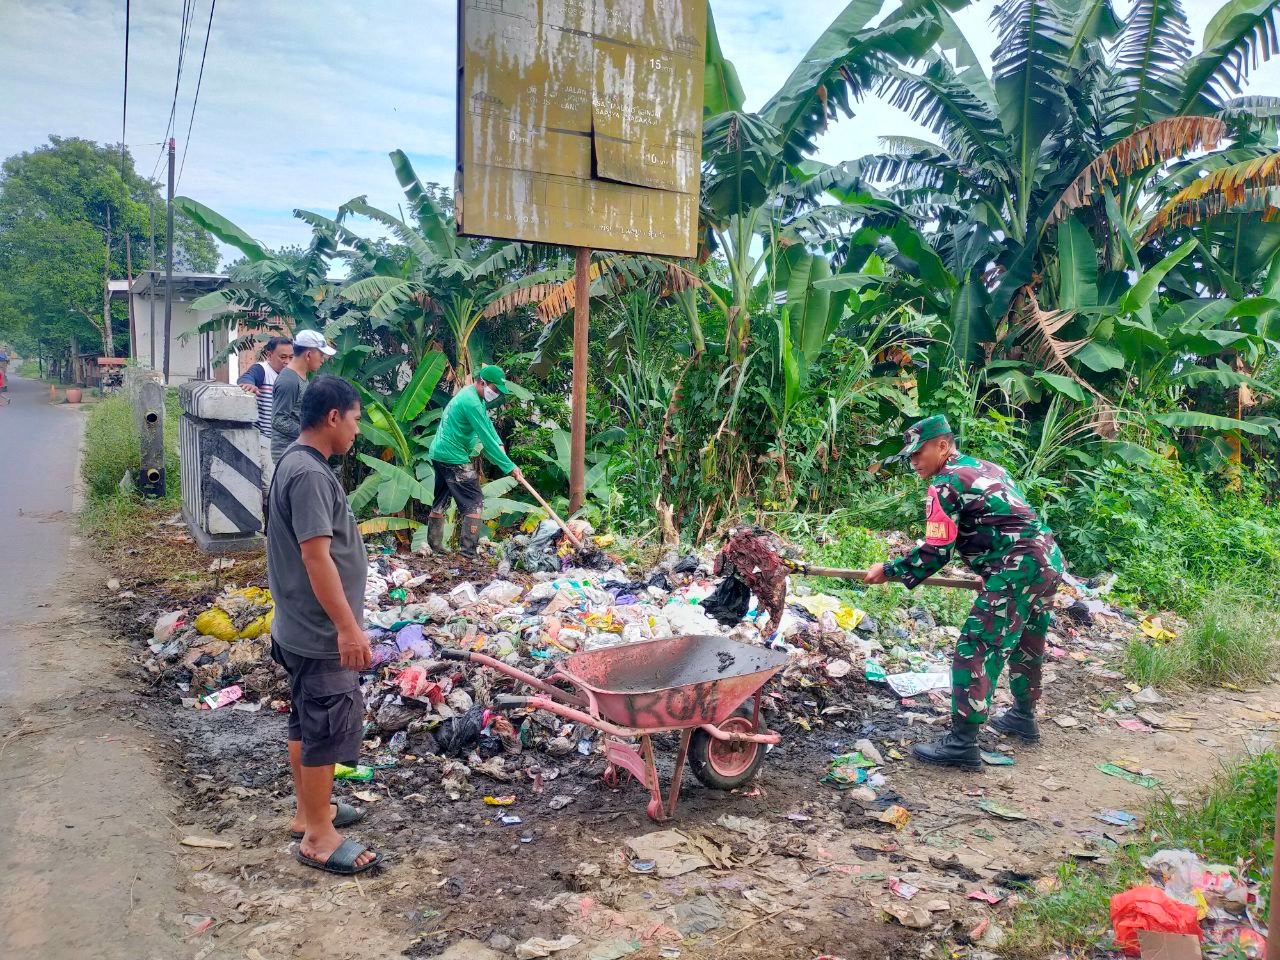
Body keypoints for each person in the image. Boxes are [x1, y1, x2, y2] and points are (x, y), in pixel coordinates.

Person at [864, 415, 1065, 769]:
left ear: (943, 445)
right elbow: (1008, 519)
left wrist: (890, 571)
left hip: (1016, 569)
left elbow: (936, 550)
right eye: (910, 455)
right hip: (1046, 561)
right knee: (1027, 642)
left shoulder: (945, 483)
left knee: (976, 646)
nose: (914, 461)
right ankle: (1022, 717)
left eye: (919, 452)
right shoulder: (985, 468)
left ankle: (962, 743)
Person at [267, 374, 381, 875]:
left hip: (298, 625)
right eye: (355, 418)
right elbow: (317, 558)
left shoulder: (295, 462)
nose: (358, 430)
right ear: (333, 416)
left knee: (304, 720)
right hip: (318, 632)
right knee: (325, 728)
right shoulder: (309, 474)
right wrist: (348, 629)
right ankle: (317, 836)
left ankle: (309, 813)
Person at [426, 364, 523, 556]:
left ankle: (435, 547)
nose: (495, 393)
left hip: (439, 453)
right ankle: (468, 553)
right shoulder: (471, 402)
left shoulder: (471, 394)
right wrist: (509, 467)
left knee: (442, 499)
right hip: (453, 456)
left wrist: (498, 442)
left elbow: (487, 426)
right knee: (475, 501)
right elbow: (485, 439)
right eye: (494, 389)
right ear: (483, 382)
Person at [272, 329, 335, 464]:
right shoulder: (289, 381)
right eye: (321, 355)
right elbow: (278, 420)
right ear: (308, 354)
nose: (323, 360)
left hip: (297, 450)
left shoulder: (300, 376)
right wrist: (310, 432)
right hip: (287, 452)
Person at [237, 337, 293, 488]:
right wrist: (249, 384)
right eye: (283, 357)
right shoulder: (262, 370)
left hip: (287, 442)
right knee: (270, 486)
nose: (287, 361)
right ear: (269, 356)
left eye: (291, 357)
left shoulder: (293, 376)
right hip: (266, 441)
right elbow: (247, 377)